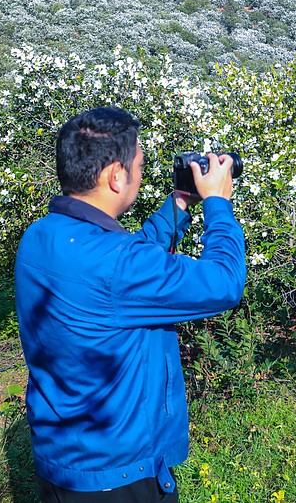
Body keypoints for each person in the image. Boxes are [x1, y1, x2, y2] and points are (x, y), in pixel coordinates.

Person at [15, 106, 246, 502]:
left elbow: (121, 269)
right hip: (120, 475)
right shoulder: (119, 265)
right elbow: (224, 283)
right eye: (138, 165)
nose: (140, 174)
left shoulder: (41, 235)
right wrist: (217, 204)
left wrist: (180, 203)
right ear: (116, 176)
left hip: (62, 463)